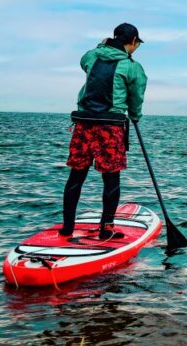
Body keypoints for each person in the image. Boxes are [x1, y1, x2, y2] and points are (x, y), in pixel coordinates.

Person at [60, 23, 147, 241]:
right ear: (133, 41)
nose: (136, 48)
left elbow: (84, 61)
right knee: (111, 178)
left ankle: (67, 227)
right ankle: (106, 228)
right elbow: (136, 96)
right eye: (137, 44)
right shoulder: (132, 67)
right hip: (110, 126)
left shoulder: (93, 56)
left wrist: (102, 45)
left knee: (76, 176)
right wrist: (135, 116)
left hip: (84, 124)